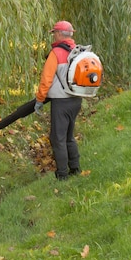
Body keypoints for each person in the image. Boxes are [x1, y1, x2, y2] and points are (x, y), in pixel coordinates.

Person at [34, 21, 83, 180]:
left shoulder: (56, 53)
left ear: (60, 34)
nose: (53, 35)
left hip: (61, 103)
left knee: (58, 138)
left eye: (54, 32)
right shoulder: (77, 51)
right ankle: (75, 168)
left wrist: (39, 99)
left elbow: (46, 79)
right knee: (69, 136)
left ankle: (62, 175)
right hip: (76, 100)